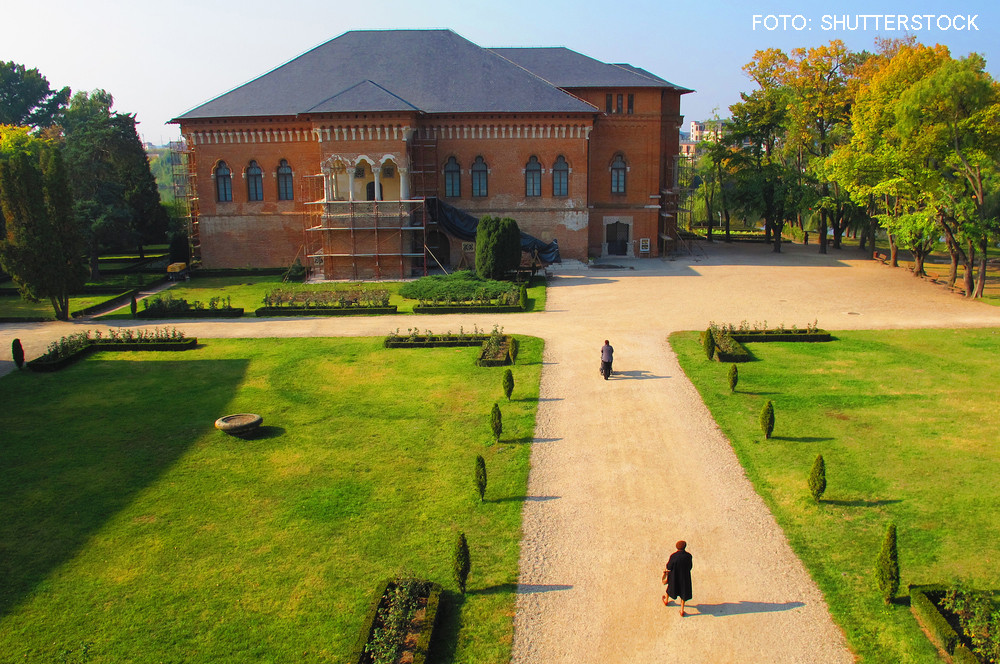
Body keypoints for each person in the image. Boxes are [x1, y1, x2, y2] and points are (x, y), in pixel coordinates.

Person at [662, 540, 693, 616]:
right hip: (685, 577)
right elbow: (690, 567)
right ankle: (682, 610)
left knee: (670, 587)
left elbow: (669, 566)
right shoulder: (688, 556)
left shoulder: (673, 556)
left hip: (674, 576)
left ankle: (666, 600)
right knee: (684, 592)